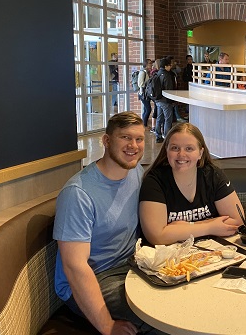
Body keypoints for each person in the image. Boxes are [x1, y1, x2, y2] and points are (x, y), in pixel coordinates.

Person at [53, 112, 160, 335]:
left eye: (139, 139)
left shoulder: (135, 173)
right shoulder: (78, 194)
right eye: (125, 138)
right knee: (161, 319)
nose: (134, 145)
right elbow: (75, 267)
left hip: (131, 266)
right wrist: (107, 326)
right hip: (96, 278)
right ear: (106, 140)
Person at [139, 123, 245, 245]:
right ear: (166, 150)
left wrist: (181, 228)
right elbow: (157, 237)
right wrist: (210, 227)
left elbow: (237, 221)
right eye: (175, 148)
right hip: (170, 259)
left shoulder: (213, 175)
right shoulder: (154, 181)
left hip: (212, 254)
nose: (181, 154)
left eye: (189, 148)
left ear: (200, 153)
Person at [154, 58, 177, 143]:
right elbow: (169, 89)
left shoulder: (157, 73)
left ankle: (158, 136)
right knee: (168, 119)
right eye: (170, 65)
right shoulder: (167, 75)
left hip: (158, 100)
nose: (171, 67)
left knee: (159, 118)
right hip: (165, 101)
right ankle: (167, 137)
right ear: (166, 66)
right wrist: (172, 101)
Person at [138, 59, 152, 129]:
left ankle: (143, 124)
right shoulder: (142, 72)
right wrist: (148, 86)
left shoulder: (147, 72)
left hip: (146, 94)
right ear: (146, 64)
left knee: (146, 109)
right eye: (149, 63)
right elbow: (140, 84)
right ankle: (144, 125)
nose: (151, 65)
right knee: (148, 109)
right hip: (143, 94)